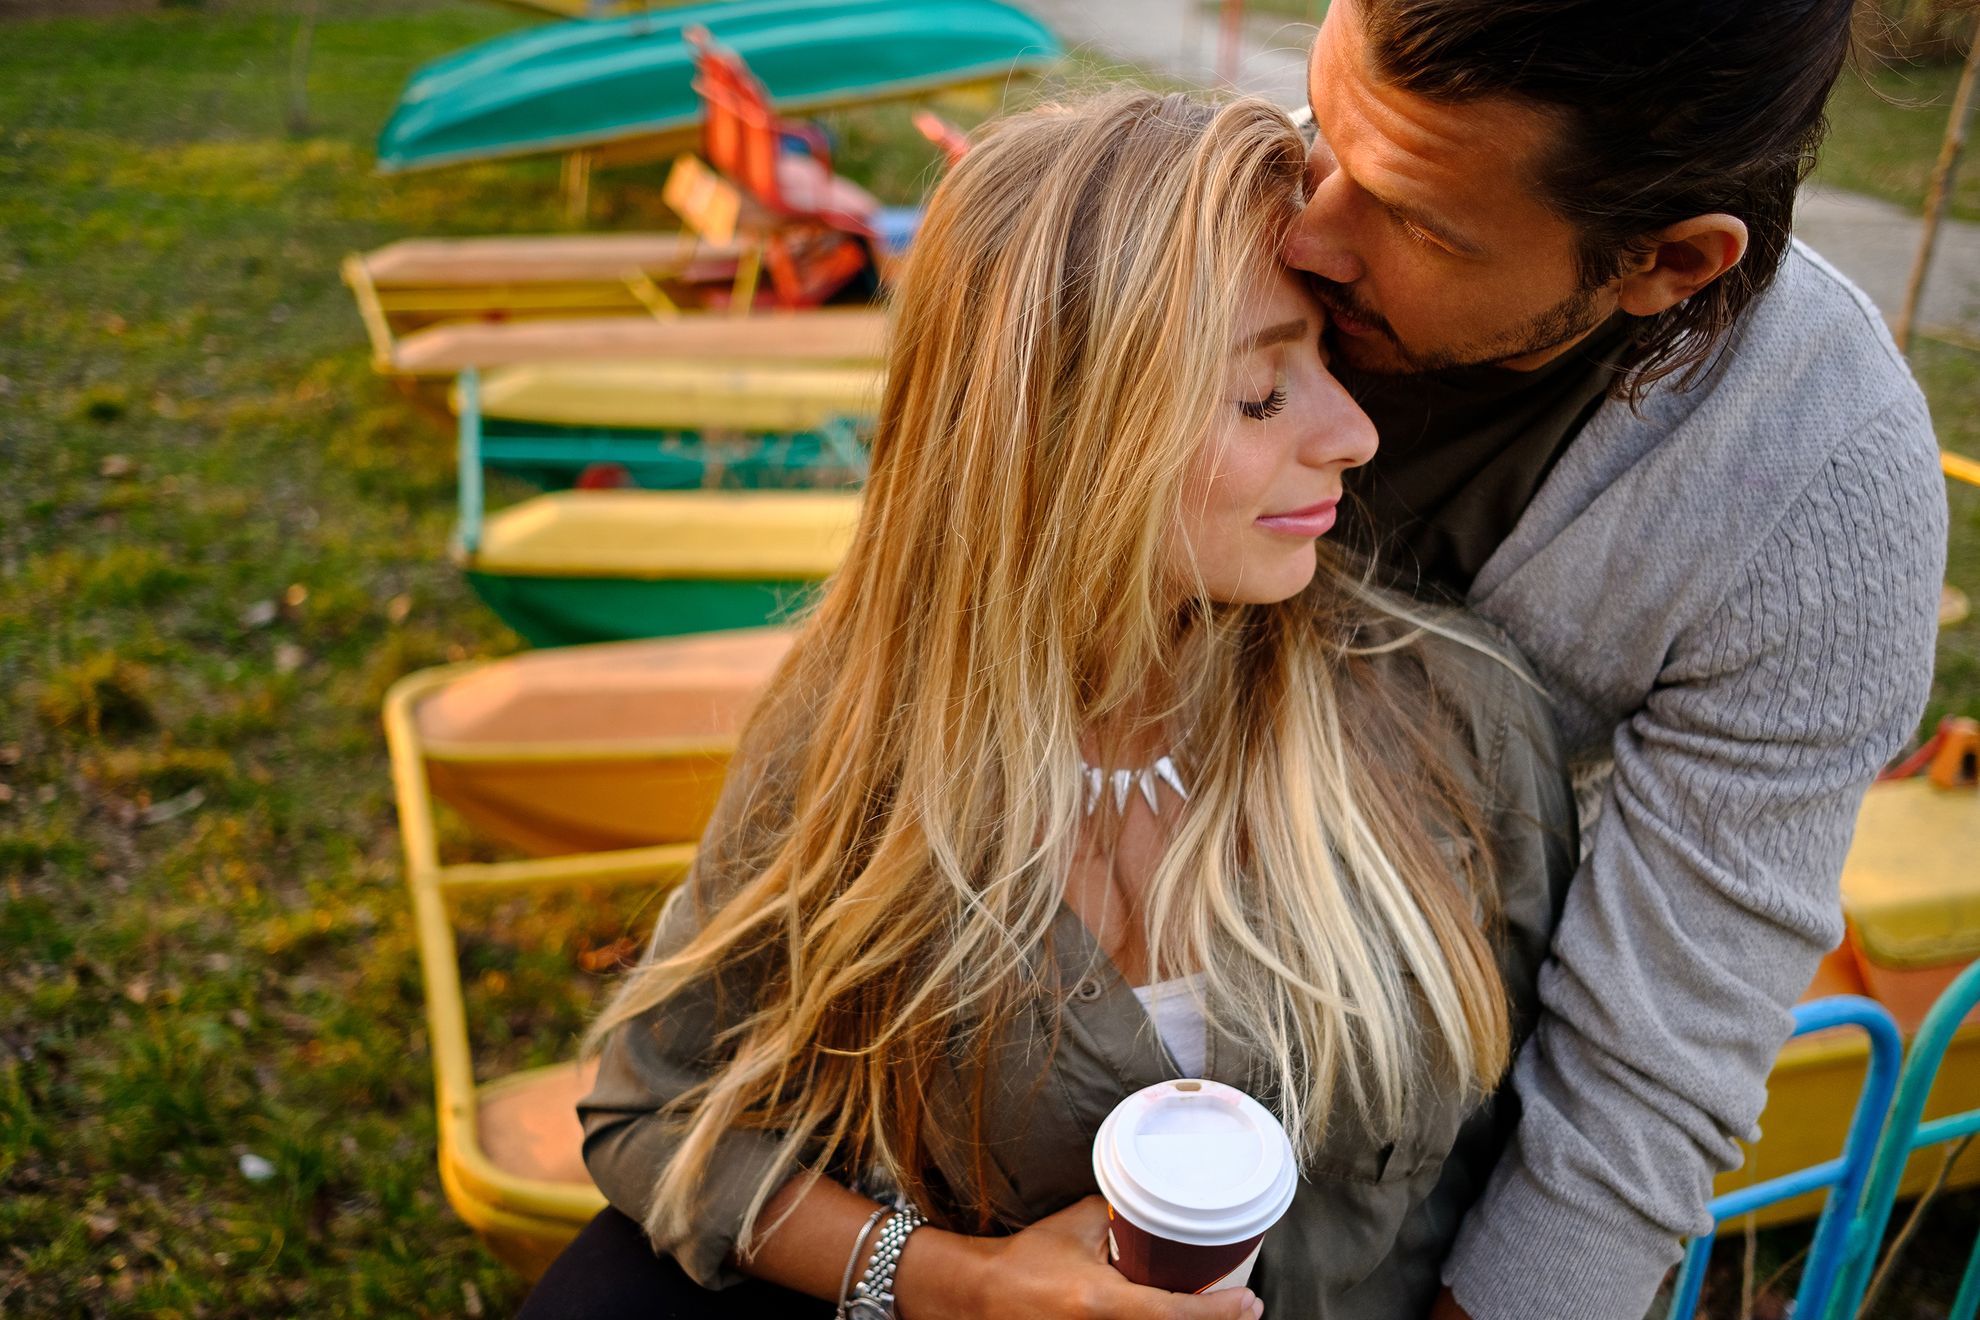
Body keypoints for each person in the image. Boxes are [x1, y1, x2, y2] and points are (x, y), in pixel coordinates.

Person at [519, 90, 1577, 1320]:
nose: (1352, 434)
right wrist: (955, 1283)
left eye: (1329, 363)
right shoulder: (867, 740)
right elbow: (657, 1110)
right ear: (1064, 437)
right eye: (1259, 394)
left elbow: (1556, 1155)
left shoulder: (1453, 719)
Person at [1281, 2, 1949, 1317]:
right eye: (1324, 118)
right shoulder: (1192, 218)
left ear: (1670, 262)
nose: (1305, 232)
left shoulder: (1814, 482)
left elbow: (1641, 1091)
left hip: (1392, 1171)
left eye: (1419, 222)